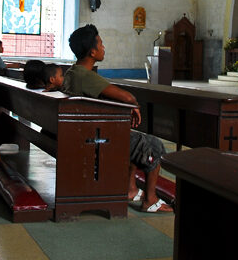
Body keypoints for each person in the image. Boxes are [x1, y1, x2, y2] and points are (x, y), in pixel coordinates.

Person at [63, 24, 173, 213]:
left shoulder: (72, 71)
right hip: (90, 139)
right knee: (154, 145)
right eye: (101, 44)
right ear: (92, 51)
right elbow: (126, 96)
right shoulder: (85, 75)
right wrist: (134, 105)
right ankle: (150, 199)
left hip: (77, 132)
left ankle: (130, 189)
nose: (104, 48)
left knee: (130, 136)